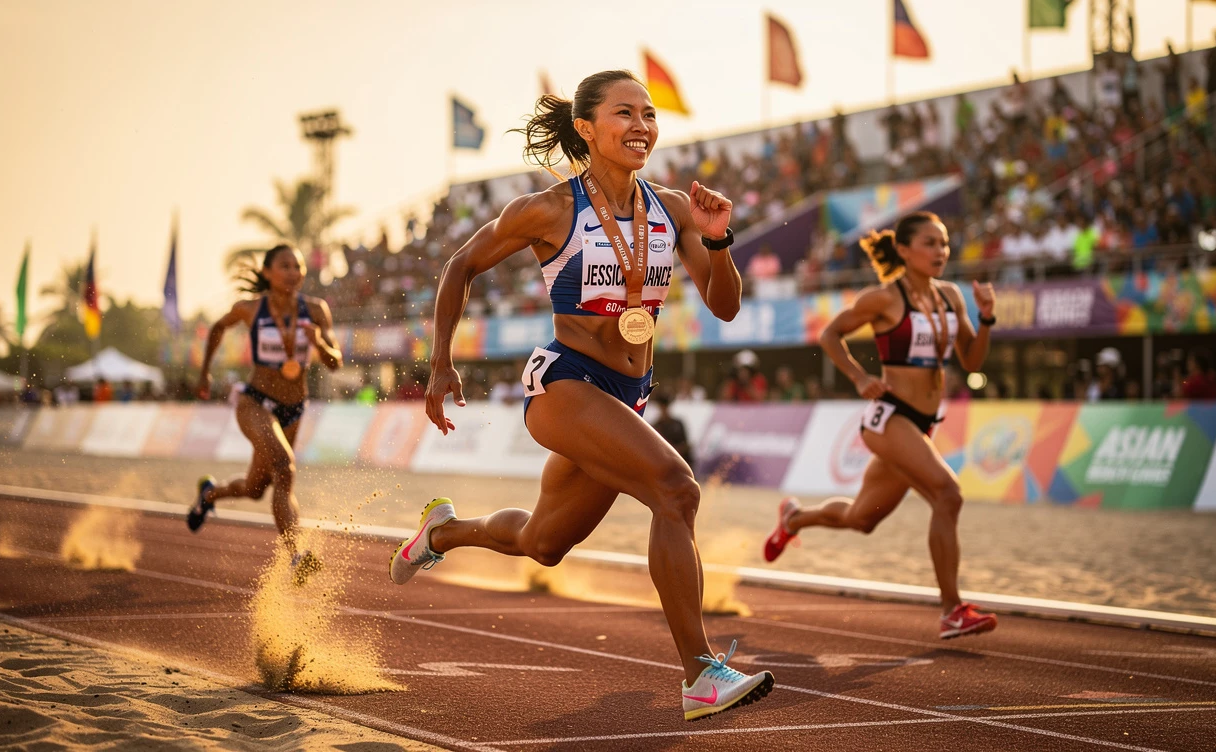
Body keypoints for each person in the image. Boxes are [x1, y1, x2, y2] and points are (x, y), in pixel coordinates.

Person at [394, 70, 774, 721]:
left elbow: (725, 305)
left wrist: (716, 238)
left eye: (650, 115)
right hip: (564, 384)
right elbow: (460, 265)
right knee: (676, 489)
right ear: (587, 128)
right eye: (625, 113)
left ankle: (444, 531)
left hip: (627, 397)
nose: (642, 126)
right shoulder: (551, 209)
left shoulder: (675, 207)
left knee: (544, 544)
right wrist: (440, 365)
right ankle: (700, 674)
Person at [761, 211, 1000, 640]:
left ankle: (794, 519)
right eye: (930, 243)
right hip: (889, 418)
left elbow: (973, 361)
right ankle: (951, 610)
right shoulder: (884, 299)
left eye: (944, 243)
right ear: (904, 250)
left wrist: (985, 318)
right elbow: (831, 335)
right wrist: (858, 377)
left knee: (860, 519)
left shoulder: (952, 297)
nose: (940, 251)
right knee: (948, 494)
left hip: (921, 425)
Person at [188, 245, 343, 584]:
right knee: (285, 469)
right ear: (268, 272)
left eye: (298, 267)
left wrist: (318, 343)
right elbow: (216, 328)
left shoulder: (316, 310)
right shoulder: (250, 309)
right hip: (255, 403)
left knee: (256, 488)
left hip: (293, 409)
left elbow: (335, 362)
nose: (292, 273)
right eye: (284, 266)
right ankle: (296, 555)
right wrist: (205, 374)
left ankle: (208, 495)